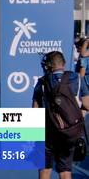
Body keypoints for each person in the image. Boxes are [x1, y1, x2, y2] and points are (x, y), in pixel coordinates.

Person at [32, 51, 89, 179]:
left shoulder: (42, 82)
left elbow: (35, 111)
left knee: (45, 170)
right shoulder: (77, 79)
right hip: (69, 133)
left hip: (47, 133)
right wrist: (79, 117)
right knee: (65, 172)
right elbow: (87, 105)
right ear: (63, 64)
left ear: (48, 66)